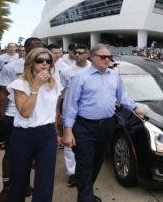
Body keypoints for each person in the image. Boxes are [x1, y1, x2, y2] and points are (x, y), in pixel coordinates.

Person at [62, 44, 147, 202]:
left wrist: (135, 107)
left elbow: (122, 97)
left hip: (107, 125)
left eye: (109, 57)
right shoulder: (80, 77)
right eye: (103, 57)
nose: (107, 60)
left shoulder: (114, 75)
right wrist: (67, 130)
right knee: (84, 163)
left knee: (97, 161)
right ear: (92, 57)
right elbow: (70, 105)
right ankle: (86, 198)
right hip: (84, 127)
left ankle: (85, 194)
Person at [7, 47, 63, 202]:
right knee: (18, 179)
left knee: (45, 180)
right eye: (40, 61)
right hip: (24, 135)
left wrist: (56, 133)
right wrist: (35, 87)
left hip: (47, 135)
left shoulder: (54, 84)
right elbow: (25, 112)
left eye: (48, 61)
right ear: (31, 63)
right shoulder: (19, 83)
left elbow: (53, 111)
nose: (45, 64)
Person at [0, 37, 44, 202]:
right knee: (10, 154)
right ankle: (7, 186)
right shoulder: (11, 67)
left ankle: (25, 184)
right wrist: (2, 117)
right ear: (26, 48)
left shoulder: (46, 68)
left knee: (31, 157)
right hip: (12, 117)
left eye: (41, 47)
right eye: (34, 47)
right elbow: (2, 93)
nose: (38, 50)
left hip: (35, 119)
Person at [60, 45, 91, 187]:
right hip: (70, 110)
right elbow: (60, 93)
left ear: (87, 54)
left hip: (88, 112)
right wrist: (57, 112)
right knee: (69, 143)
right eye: (75, 53)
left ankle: (85, 171)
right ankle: (72, 173)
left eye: (81, 53)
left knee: (87, 144)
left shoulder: (94, 68)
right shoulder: (67, 71)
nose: (77, 55)